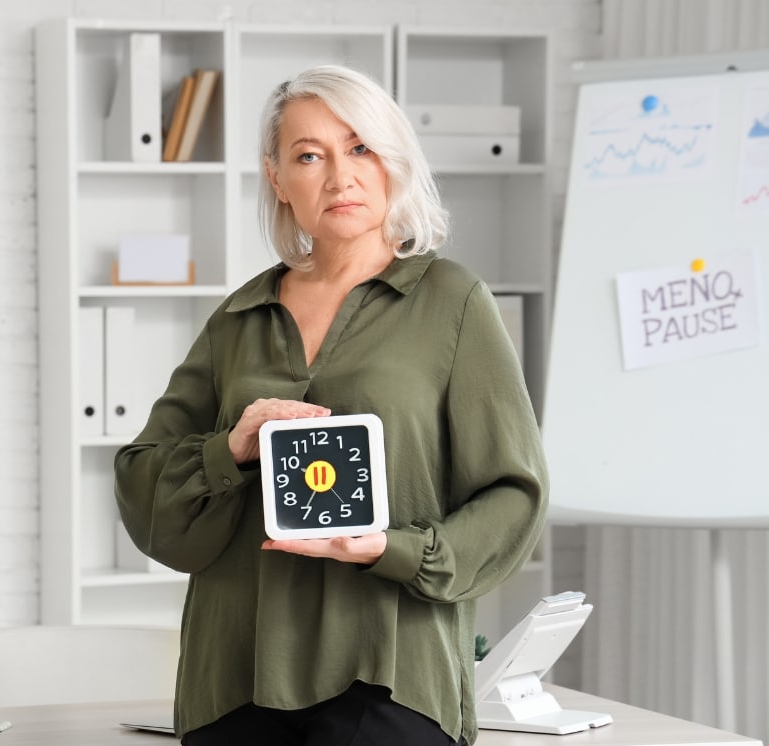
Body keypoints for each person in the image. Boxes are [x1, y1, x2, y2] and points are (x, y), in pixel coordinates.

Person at [114, 64, 548, 746]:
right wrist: (231, 447)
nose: (339, 176)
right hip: (233, 678)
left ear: (393, 163)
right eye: (309, 156)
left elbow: (514, 496)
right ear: (277, 178)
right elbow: (143, 486)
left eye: (360, 148)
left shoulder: (453, 303)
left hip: (389, 673)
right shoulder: (240, 317)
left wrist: (392, 548)